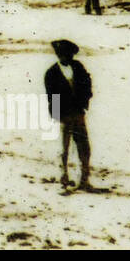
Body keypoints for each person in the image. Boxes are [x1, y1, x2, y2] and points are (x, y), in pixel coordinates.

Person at [43, 39, 93, 191]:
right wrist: (59, 116)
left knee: (84, 147)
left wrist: (84, 104)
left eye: (68, 55)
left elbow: (87, 85)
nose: (66, 57)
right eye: (64, 55)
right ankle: (64, 177)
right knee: (64, 148)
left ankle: (84, 179)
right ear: (59, 55)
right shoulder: (51, 73)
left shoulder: (78, 67)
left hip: (78, 112)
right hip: (65, 114)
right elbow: (52, 96)